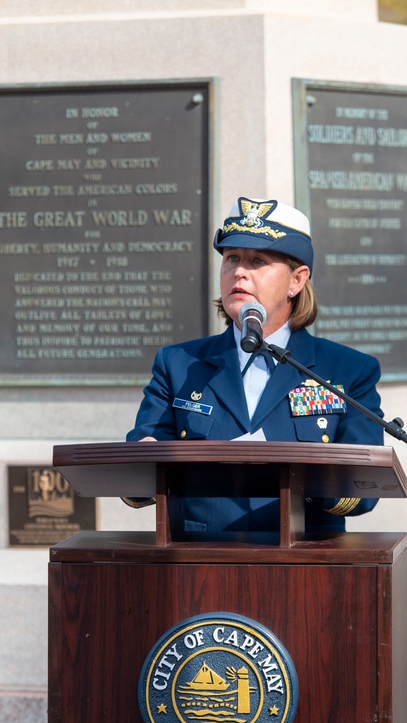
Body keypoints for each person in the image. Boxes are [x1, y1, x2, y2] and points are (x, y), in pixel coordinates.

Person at [125, 197, 384, 540]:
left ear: (296, 280)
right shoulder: (178, 365)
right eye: (232, 258)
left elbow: (364, 490)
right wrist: (141, 463)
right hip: (198, 564)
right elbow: (135, 481)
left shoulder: (349, 370)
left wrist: (296, 473)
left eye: (258, 261)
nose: (239, 272)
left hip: (307, 563)